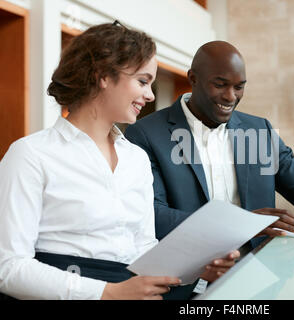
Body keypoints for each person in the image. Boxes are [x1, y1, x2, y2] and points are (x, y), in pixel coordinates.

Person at [0, 24, 238, 300]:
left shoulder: (135, 158)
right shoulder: (30, 155)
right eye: (142, 81)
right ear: (103, 76)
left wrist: (196, 269)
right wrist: (108, 293)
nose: (150, 95)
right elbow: (8, 267)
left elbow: (143, 250)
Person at [124, 41, 294, 248]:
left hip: (260, 264)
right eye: (220, 85)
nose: (230, 96)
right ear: (193, 79)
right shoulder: (146, 134)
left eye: (239, 87)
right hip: (192, 276)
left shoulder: (259, 130)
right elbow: (154, 215)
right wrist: (242, 224)